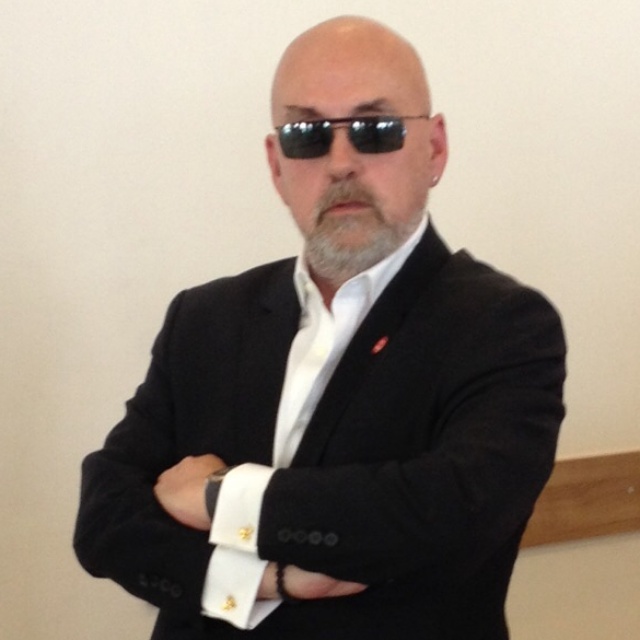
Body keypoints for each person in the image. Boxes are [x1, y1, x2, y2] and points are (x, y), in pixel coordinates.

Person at [74, 15, 566, 640]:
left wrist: (219, 496)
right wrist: (265, 580)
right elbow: (105, 519)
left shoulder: (503, 326)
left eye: (375, 129)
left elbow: (442, 514)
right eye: (306, 134)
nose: (341, 163)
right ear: (276, 165)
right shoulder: (204, 318)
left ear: (435, 149)